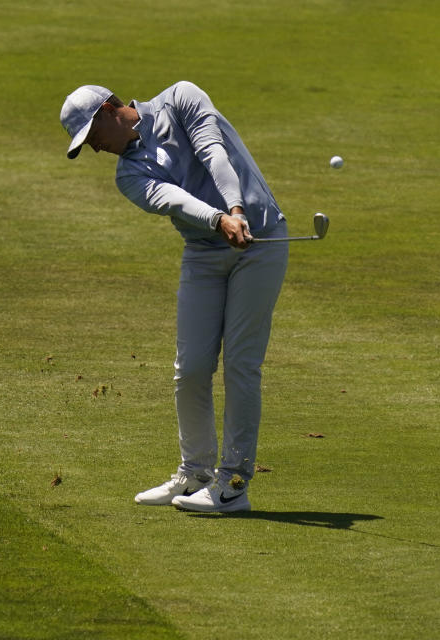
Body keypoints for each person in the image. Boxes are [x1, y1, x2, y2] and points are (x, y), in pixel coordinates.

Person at [59, 81, 289, 512]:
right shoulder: (128, 175)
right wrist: (220, 220)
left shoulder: (181, 98)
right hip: (204, 252)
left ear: (110, 109)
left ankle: (234, 483)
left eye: (92, 136)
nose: (93, 149)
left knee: (241, 362)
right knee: (192, 367)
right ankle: (195, 473)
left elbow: (213, 152)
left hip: (261, 242)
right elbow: (176, 200)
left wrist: (236, 210)